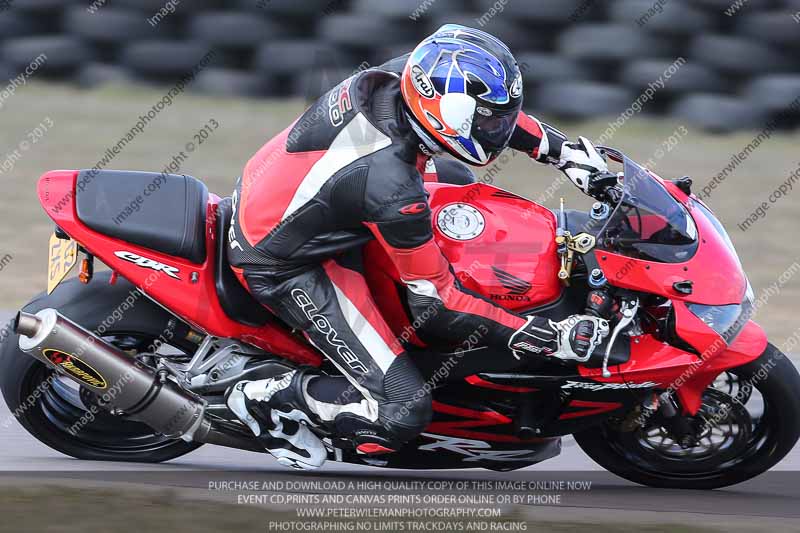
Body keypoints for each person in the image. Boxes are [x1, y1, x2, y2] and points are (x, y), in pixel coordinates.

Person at [225, 24, 610, 470]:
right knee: (401, 412)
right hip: (286, 262)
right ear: (448, 113)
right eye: (487, 120)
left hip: (303, 201)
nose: (497, 129)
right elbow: (437, 302)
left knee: (460, 184)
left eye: (500, 117)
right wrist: (538, 335)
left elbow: (494, 120)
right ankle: (266, 396)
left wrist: (564, 153)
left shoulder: (404, 79)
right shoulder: (391, 187)